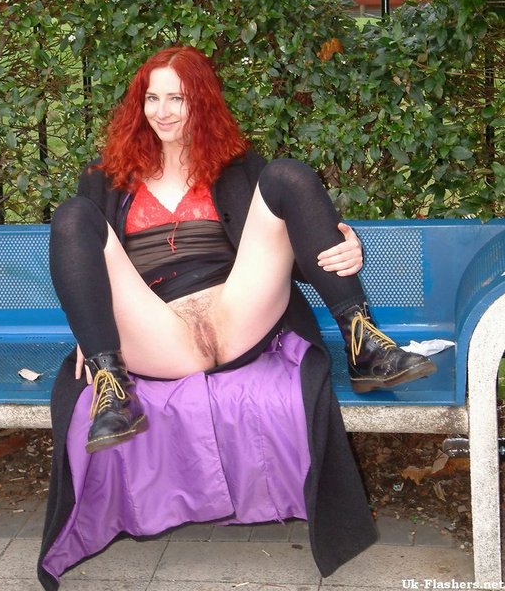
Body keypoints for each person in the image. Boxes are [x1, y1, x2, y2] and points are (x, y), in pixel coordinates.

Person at [48, 44, 436, 455]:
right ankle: (112, 387)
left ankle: (365, 347)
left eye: (177, 98)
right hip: (156, 333)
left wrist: (345, 247)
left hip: (238, 316)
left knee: (287, 174)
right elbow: (85, 261)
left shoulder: (238, 166)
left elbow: (284, 253)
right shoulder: (104, 177)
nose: (162, 112)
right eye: (152, 98)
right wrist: (91, 331)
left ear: (201, 101)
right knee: (72, 215)